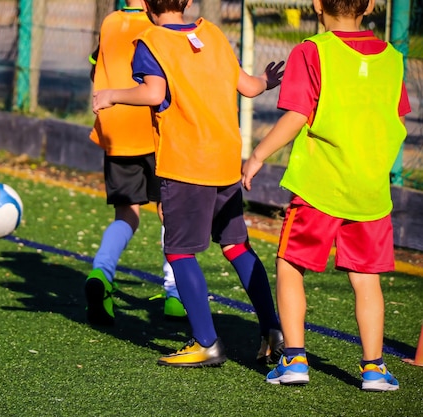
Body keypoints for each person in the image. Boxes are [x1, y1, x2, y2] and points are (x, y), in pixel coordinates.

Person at [93, 0, 285, 367]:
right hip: (226, 159)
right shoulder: (211, 33)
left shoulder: (150, 41)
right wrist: (267, 80)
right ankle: (272, 329)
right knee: (236, 246)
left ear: (147, 4)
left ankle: (206, 343)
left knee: (179, 251)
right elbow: (247, 87)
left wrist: (112, 95)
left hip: (186, 165)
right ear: (188, 2)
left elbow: (152, 93)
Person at [241, 0, 410, 391]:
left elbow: (298, 113)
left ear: (316, 4)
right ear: (370, 6)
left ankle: (294, 359)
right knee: (367, 278)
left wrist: (257, 155)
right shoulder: (393, 59)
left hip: (318, 186)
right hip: (370, 190)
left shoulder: (311, 50)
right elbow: (397, 120)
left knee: (289, 264)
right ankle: (373, 368)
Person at [85, 0, 187, 327]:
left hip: (115, 128)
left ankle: (102, 271)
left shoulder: (110, 22)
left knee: (126, 213)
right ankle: (175, 294)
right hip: (155, 129)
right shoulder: (161, 27)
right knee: (167, 210)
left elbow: (94, 69)